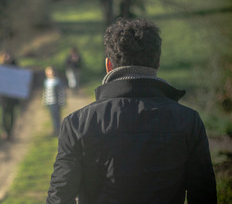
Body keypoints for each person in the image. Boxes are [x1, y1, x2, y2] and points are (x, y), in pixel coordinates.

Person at [46, 19, 217, 203]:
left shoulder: (77, 123)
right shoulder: (189, 121)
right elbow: (204, 195)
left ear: (108, 66)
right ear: (157, 63)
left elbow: (60, 197)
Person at [0, 50, 19, 140]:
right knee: (3, 115)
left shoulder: (16, 67)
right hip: (3, 96)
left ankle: (9, 132)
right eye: (5, 56)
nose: (7, 58)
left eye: (9, 56)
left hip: (12, 96)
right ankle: (5, 132)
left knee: (11, 114)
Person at [43, 66, 66, 136]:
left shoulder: (57, 81)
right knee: (52, 116)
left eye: (51, 71)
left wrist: (62, 101)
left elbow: (61, 92)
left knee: (57, 116)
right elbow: (45, 92)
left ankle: (58, 129)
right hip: (49, 101)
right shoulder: (46, 81)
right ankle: (55, 129)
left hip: (56, 102)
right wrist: (44, 101)